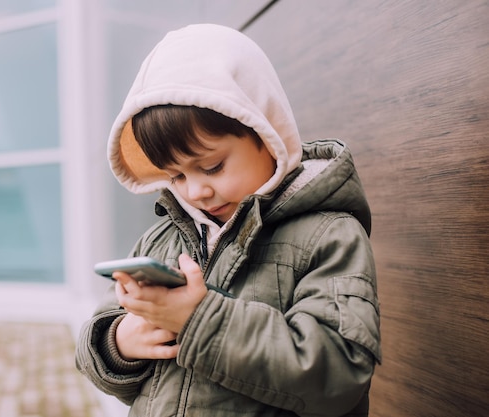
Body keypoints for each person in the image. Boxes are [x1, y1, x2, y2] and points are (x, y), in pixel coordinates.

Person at [75, 23, 381, 417]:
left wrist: (197, 319)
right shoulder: (161, 240)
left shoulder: (328, 235)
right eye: (177, 175)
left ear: (267, 133)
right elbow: (98, 345)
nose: (195, 192)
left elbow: (338, 376)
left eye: (213, 166)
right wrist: (119, 343)